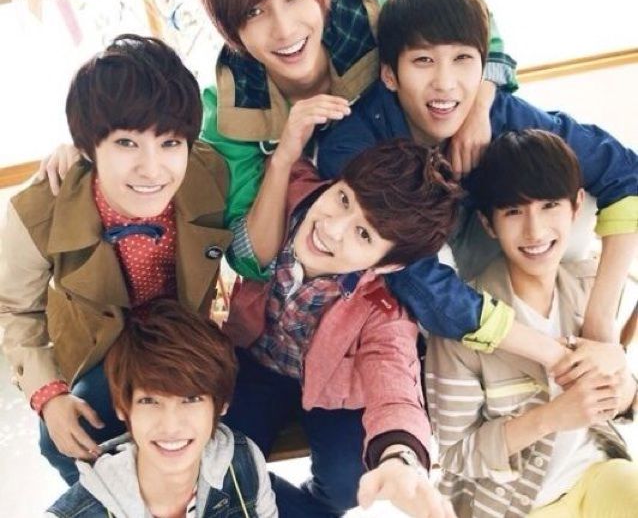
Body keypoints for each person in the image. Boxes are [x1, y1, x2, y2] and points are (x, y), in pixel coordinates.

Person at [190, 0, 518, 280]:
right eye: (254, 11)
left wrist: (478, 109)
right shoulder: (229, 109)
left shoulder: (370, 19)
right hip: (347, 256)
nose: (284, 29)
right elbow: (251, 258)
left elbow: (478, 24)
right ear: (229, 28)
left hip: (447, 195)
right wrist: (282, 159)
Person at [318, 0, 638, 346]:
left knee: (563, 190)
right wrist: (549, 353)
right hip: (420, 261)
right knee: (421, 286)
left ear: (483, 66)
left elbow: (623, 172)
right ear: (390, 74)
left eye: (462, 59)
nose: (445, 83)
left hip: (493, 236)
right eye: (423, 60)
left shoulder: (499, 113)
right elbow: (418, 281)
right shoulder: (355, 147)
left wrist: (600, 322)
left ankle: (574, 325)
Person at [0, 34, 232, 485]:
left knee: (234, 434)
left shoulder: (214, 172)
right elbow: (14, 308)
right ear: (88, 147)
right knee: (63, 439)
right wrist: (49, 395)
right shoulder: (38, 210)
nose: (152, 168)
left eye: (170, 143)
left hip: (187, 338)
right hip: (103, 349)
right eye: (126, 143)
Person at [222, 138, 459, 518]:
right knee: (225, 469)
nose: (332, 229)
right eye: (344, 199)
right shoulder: (287, 194)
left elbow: (395, 384)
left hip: (335, 393)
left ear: (388, 265)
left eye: (364, 234)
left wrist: (401, 458)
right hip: (255, 363)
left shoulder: (384, 309)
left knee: (348, 485)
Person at [425, 129, 638, 518]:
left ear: (575, 206)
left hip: (596, 473)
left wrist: (623, 386)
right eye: (513, 211)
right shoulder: (461, 325)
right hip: (512, 505)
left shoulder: (593, 286)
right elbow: (455, 456)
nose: (535, 231)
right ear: (488, 223)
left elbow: (624, 398)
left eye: (549, 205)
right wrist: (551, 418)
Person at [46, 298, 277, 518]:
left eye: (191, 399)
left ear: (222, 404)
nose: (171, 426)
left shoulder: (244, 463)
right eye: (149, 401)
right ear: (122, 408)